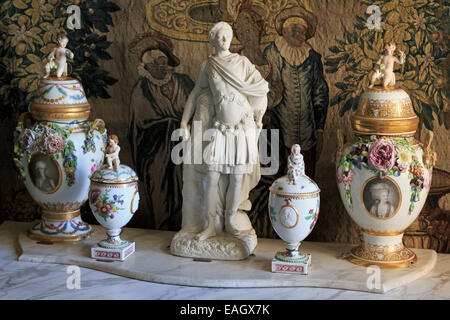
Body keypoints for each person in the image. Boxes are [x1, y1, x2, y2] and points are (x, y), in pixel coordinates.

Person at [180, 21, 269, 240]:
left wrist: (258, 115)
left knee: (237, 178)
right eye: (220, 36)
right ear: (212, 40)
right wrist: (184, 122)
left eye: (227, 35)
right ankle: (211, 225)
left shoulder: (242, 62)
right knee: (212, 176)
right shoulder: (208, 66)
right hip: (220, 128)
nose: (224, 39)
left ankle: (230, 220)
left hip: (242, 127)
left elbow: (261, 88)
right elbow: (195, 93)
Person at [128, 32, 195, 230]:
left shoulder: (183, 82)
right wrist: (174, 123)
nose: (162, 66)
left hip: (186, 149)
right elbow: (143, 122)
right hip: (157, 154)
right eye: (156, 63)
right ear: (146, 67)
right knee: (162, 194)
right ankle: (163, 229)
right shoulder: (142, 89)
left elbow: (199, 106)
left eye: (164, 61)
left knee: (188, 188)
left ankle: (188, 226)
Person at [264, 6, 329, 179]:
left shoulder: (312, 58)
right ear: (284, 31)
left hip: (307, 131)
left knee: (306, 177)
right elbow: (265, 87)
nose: (300, 35)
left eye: (303, 32)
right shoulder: (272, 53)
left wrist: (320, 129)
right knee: (281, 177)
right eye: (295, 31)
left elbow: (320, 93)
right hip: (280, 130)